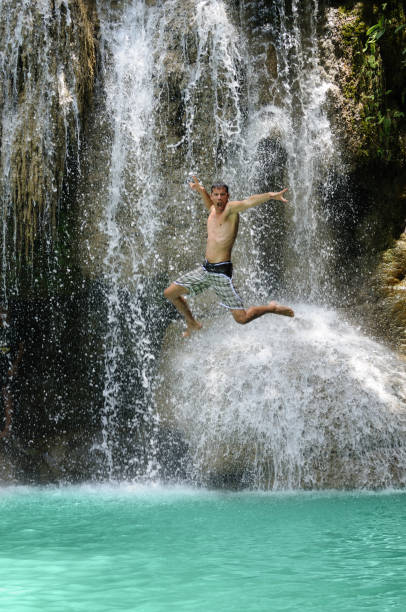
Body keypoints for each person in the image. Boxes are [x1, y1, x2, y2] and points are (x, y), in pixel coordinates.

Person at [164, 176, 294, 337]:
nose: (219, 198)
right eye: (216, 194)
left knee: (242, 318)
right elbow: (209, 204)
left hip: (221, 273)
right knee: (170, 293)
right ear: (212, 196)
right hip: (206, 270)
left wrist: (270, 196)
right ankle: (192, 323)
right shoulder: (212, 211)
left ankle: (272, 307)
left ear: (228, 196)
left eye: (222, 195)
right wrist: (201, 190)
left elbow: (248, 202)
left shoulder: (231, 210)